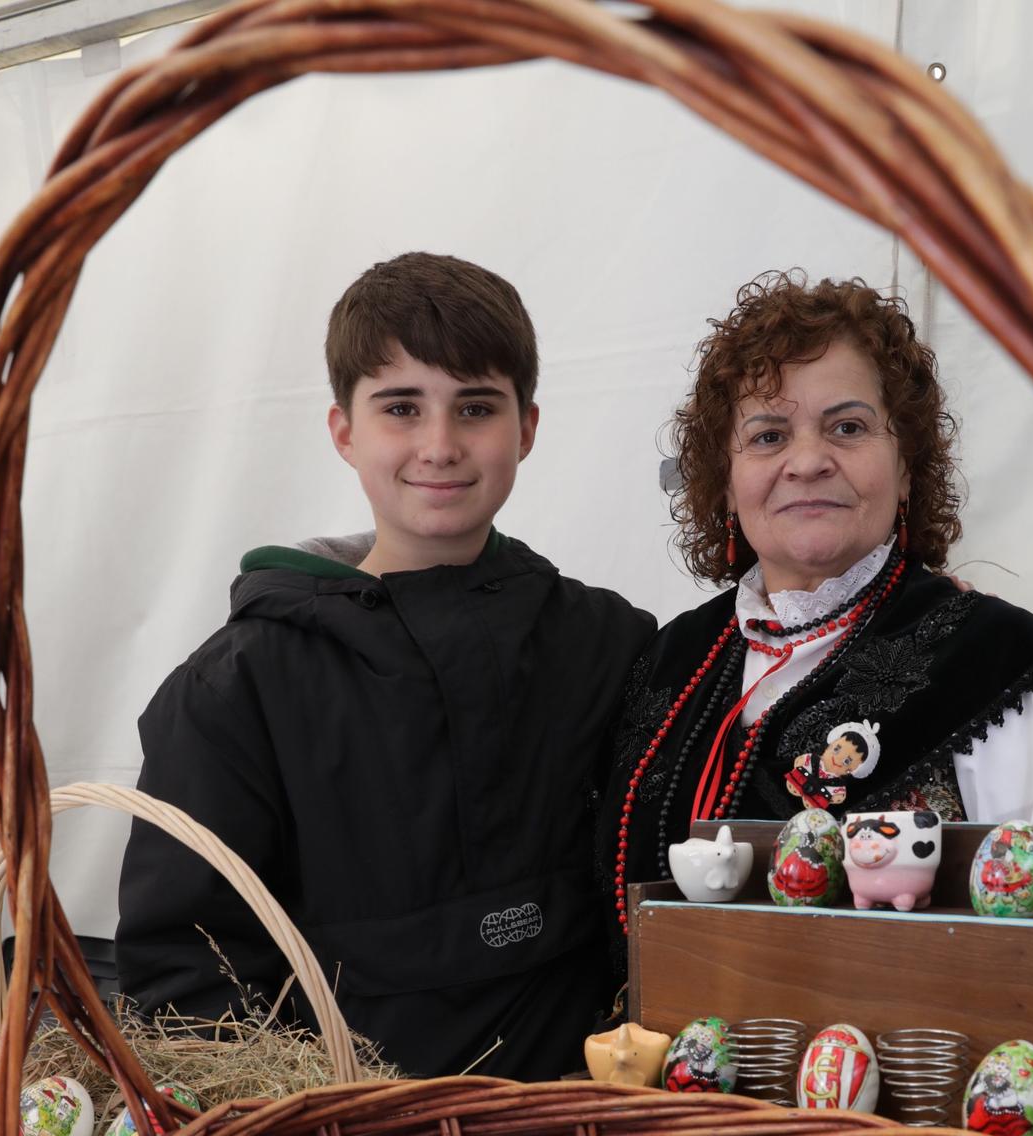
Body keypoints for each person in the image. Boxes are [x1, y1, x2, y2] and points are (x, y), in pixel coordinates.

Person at [115, 253, 655, 1081]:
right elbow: (189, 973)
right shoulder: (236, 688)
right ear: (344, 431)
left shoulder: (610, 644)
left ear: (527, 427)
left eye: (475, 407)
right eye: (401, 407)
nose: (438, 445)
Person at [602, 272, 1033, 931]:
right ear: (725, 483)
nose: (808, 460)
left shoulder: (1006, 667)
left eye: (847, 427)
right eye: (767, 436)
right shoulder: (668, 660)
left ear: (906, 467)